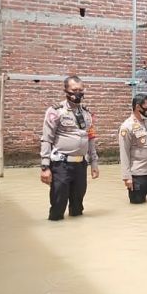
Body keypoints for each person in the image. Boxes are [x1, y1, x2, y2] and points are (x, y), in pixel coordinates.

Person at [40, 75, 99, 221]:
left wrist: (94, 164)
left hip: (80, 165)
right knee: (58, 204)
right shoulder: (55, 111)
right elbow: (47, 139)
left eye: (80, 89)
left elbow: (91, 138)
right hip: (61, 165)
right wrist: (45, 167)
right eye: (74, 90)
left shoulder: (87, 114)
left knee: (78, 207)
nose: (78, 93)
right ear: (65, 90)